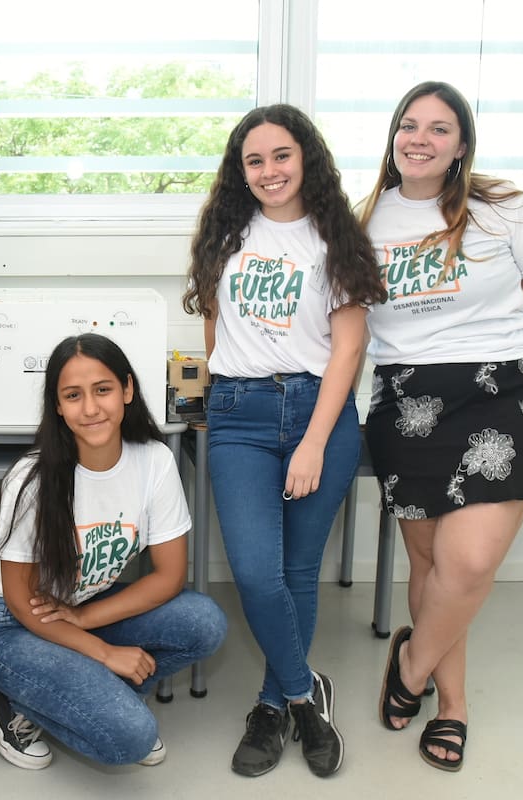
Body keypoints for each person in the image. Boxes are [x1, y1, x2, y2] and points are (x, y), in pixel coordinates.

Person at [358, 81, 523, 772]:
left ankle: (409, 667)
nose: (419, 139)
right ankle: (451, 703)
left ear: (462, 146)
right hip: (409, 402)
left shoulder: (504, 207)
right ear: (393, 134)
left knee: (470, 563)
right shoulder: (361, 221)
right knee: (430, 565)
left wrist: (493, 369)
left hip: (504, 392)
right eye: (409, 125)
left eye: (438, 128)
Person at [183, 104, 387, 778]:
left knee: (298, 572)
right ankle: (307, 696)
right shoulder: (224, 234)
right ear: (240, 171)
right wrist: (224, 392)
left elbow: (349, 348)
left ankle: (271, 706)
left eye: (281, 156)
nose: (269, 171)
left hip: (316, 412)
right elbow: (217, 333)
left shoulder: (335, 238)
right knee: (254, 572)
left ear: (307, 160)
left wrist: (313, 442)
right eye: (254, 160)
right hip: (240, 412)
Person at [0, 333, 228, 770]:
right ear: (57, 405)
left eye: (103, 390)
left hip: (83, 606)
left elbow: (169, 576)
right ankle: (10, 694)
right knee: (132, 737)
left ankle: (84, 690)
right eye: (73, 396)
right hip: (16, 625)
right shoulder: (30, 479)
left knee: (205, 622)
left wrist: (85, 622)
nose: (90, 409)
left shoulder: (154, 461)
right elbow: (18, 600)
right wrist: (105, 653)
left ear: (127, 389)